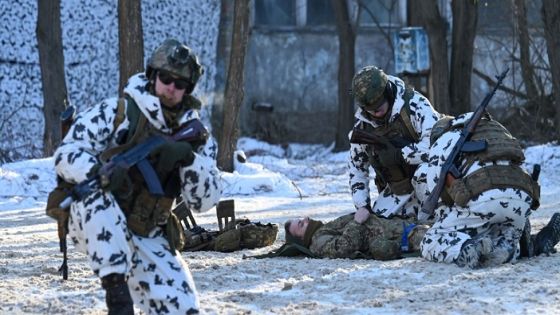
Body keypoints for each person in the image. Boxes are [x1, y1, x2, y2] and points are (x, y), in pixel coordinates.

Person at [53, 38, 221, 314]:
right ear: (153, 76)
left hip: (147, 230)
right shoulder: (118, 113)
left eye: (179, 84)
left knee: (184, 307)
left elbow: (206, 200)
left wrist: (188, 160)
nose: (171, 87)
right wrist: (98, 172)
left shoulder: (195, 134)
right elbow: (66, 154)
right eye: (166, 78)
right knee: (95, 194)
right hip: (95, 220)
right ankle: (118, 301)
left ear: (187, 89)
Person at [417, 113, 560, 268]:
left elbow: (437, 196)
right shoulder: (497, 129)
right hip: (522, 201)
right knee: (496, 226)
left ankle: (468, 248)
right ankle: (513, 244)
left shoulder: (443, 142)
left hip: (484, 203)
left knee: (430, 240)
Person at [349, 66, 441, 224]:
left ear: (388, 93)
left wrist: (400, 155)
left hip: (429, 180)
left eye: (378, 107)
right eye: (369, 110)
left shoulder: (415, 105)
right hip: (398, 189)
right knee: (377, 226)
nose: (375, 113)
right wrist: (362, 205)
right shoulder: (363, 126)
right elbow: (356, 170)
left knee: (434, 218)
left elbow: (437, 146)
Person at [283, 214, 428, 260]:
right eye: (301, 225)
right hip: (406, 236)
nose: (307, 220)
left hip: (402, 226)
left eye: (303, 219)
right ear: (301, 240)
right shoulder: (317, 242)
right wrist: (357, 221)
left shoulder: (321, 231)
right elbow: (344, 247)